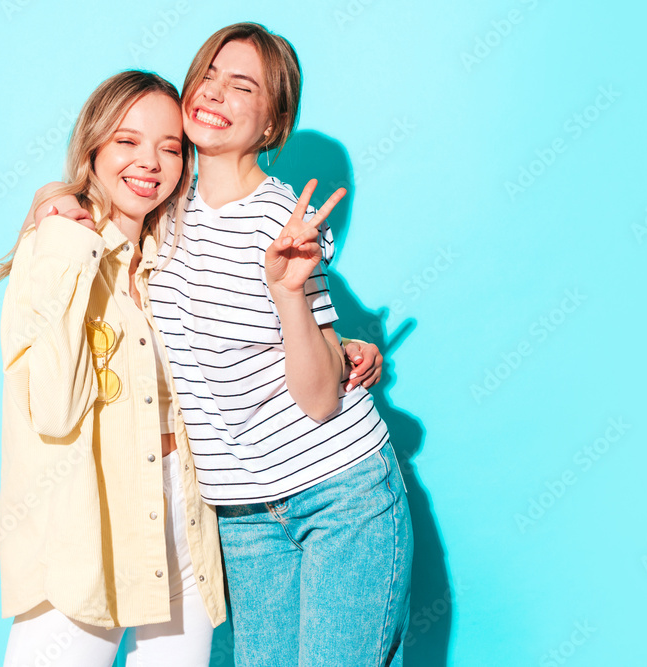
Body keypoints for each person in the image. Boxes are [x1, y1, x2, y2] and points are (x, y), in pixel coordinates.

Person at [34, 22, 411, 666]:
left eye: (243, 86)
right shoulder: (163, 202)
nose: (215, 92)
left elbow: (321, 400)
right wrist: (53, 199)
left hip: (340, 497)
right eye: (208, 73)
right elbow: (95, 180)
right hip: (240, 520)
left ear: (272, 123)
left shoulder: (282, 222)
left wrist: (293, 293)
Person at [0, 70, 225, 667]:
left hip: (185, 521)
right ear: (92, 146)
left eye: (171, 148)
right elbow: (56, 406)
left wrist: (337, 342)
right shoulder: (58, 245)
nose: (151, 161)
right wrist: (60, 225)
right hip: (88, 530)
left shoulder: (173, 256)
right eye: (127, 141)